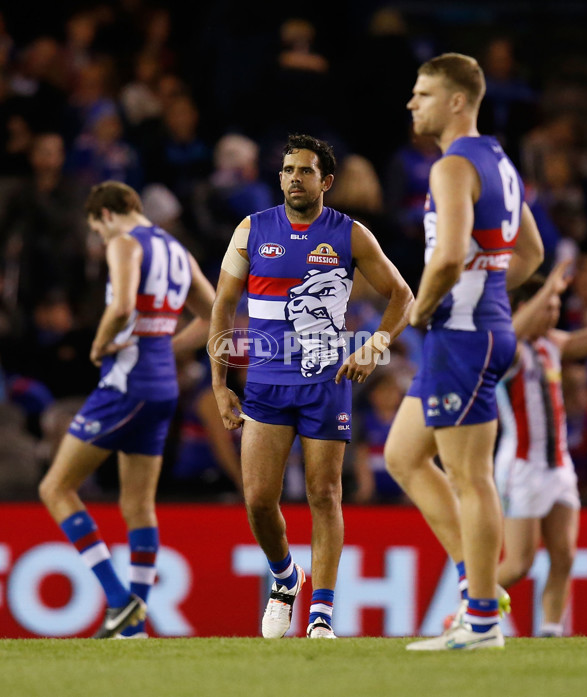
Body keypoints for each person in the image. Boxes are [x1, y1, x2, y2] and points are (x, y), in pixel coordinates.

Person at [209, 133, 413, 639]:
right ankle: (285, 577)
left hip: (326, 381)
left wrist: (373, 346)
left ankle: (321, 615)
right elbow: (223, 306)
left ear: (326, 181)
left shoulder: (350, 234)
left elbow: (402, 296)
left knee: (325, 494)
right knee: (258, 498)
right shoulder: (252, 230)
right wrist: (220, 383)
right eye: (286, 170)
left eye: (304, 170)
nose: (293, 178)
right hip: (266, 382)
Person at [384, 53, 544, 650]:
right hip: (476, 329)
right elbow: (529, 251)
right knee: (404, 455)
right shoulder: (497, 160)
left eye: (422, 94)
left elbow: (448, 257)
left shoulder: (452, 167)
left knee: (470, 476)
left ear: (456, 101)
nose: (412, 104)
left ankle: (480, 621)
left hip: (462, 335)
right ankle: (477, 586)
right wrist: (490, 289)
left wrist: (420, 311)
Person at [38, 181, 215, 638]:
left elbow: (120, 307)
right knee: (137, 503)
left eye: (97, 230)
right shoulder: (176, 250)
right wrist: (168, 346)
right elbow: (215, 314)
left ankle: (120, 602)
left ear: (107, 215)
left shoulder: (124, 243)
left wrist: (99, 346)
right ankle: (133, 626)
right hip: (162, 387)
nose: (100, 240)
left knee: (56, 487)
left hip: (126, 384)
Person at [495, 261, 587, 637]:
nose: (553, 312)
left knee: (564, 556)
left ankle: (552, 632)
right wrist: (547, 286)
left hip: (558, 466)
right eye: (546, 305)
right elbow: (512, 333)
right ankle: (468, 609)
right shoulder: (508, 349)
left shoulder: (550, 346)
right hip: (521, 467)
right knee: (519, 563)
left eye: (555, 306)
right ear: (521, 308)